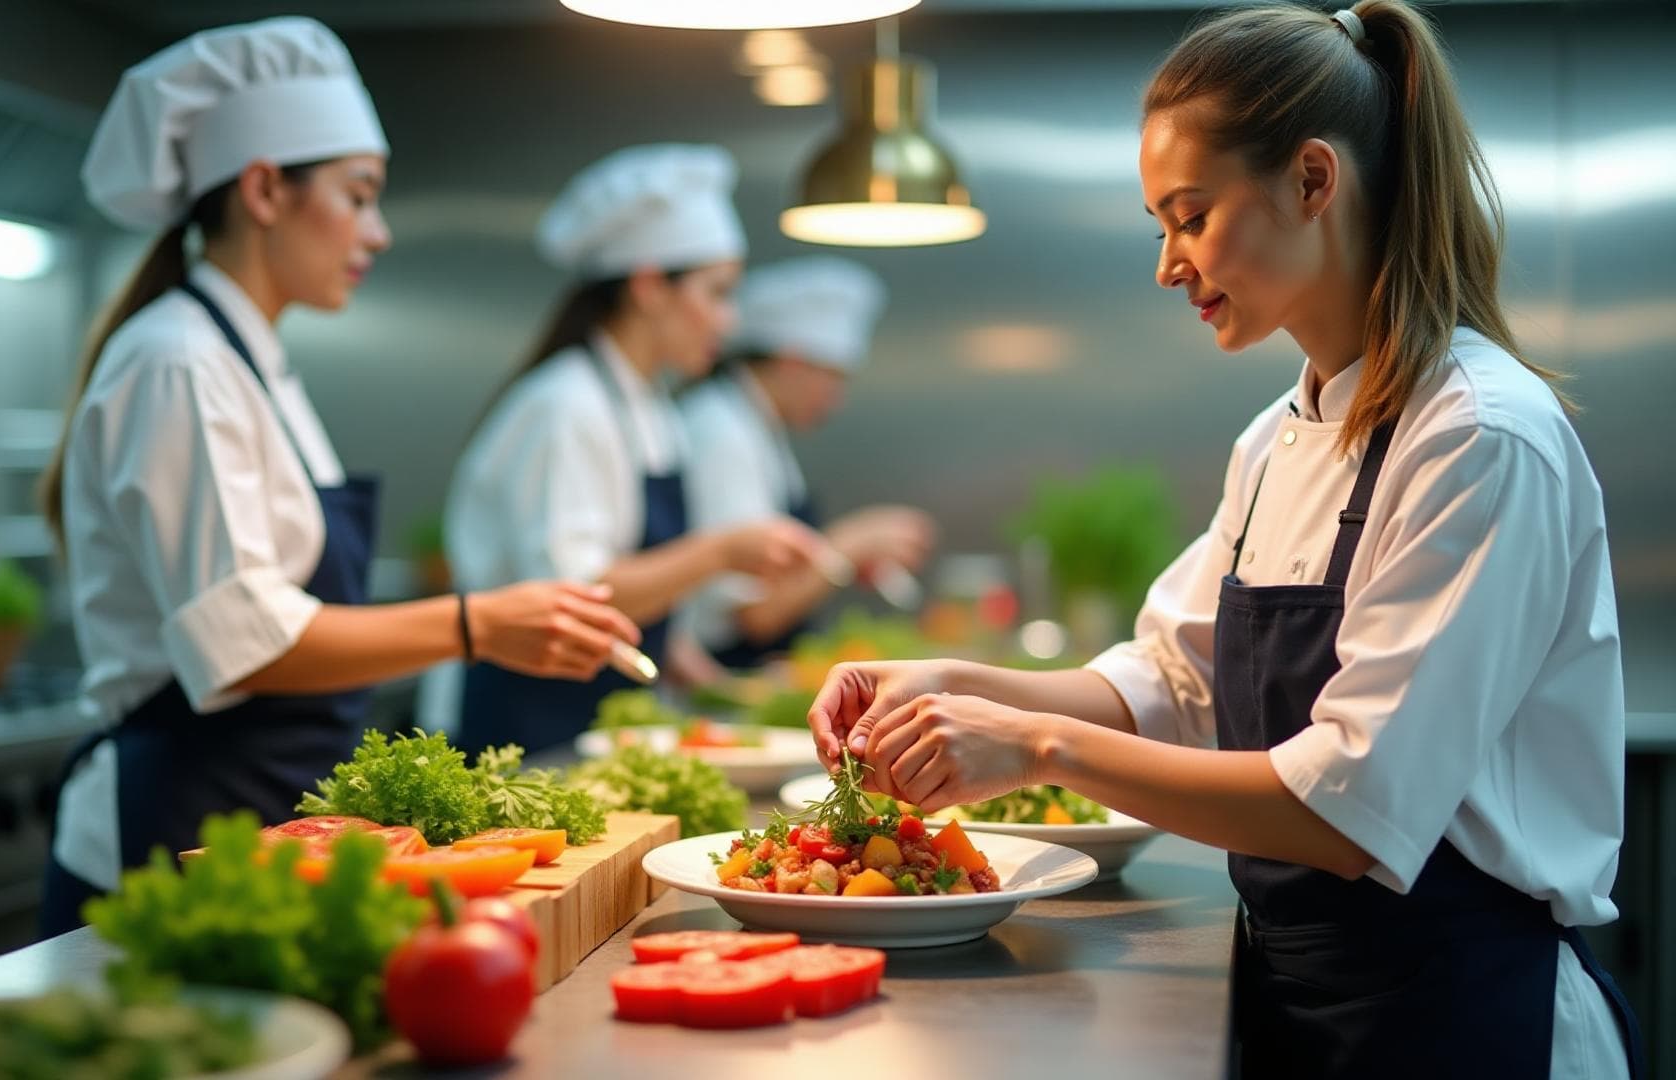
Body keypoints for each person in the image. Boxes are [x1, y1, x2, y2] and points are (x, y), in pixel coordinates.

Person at [805, 4, 1642, 1076]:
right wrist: (950, 684)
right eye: (1162, 226)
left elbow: (1352, 809)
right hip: (1307, 1002)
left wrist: (1037, 747)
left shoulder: (1478, 438)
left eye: (1190, 217)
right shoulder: (1278, 436)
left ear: (1312, 180)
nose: (1169, 264)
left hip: (1469, 1018)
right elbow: (1174, 682)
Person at [38, 17, 638, 937]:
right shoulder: (178, 361)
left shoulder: (248, 361)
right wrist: (477, 624)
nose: (378, 233)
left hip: (267, 811)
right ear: (264, 190)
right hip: (177, 823)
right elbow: (249, 643)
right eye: (358, 197)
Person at [433, 144, 825, 753]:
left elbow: (638, 593)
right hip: (528, 721)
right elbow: (572, 597)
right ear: (648, 287)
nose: (728, 322)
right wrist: (720, 552)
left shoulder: (647, 405)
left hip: (601, 716)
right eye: (717, 293)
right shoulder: (567, 405)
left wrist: (712, 684)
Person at [679, 256, 935, 670]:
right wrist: (847, 547)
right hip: (722, 672)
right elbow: (754, 615)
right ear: (792, 361)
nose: (836, 399)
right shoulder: (722, 433)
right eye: (834, 377)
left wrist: (841, 560)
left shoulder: (756, 427)